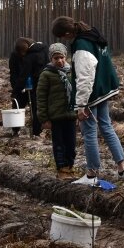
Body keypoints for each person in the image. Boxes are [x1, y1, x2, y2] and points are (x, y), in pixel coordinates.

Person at [50, 16, 124, 183]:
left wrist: (81, 105)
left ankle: (92, 174)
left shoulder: (81, 45)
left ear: (67, 33)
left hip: (91, 95)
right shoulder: (93, 35)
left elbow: (85, 77)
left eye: (62, 37)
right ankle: (123, 169)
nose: (64, 40)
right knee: (107, 127)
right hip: (103, 90)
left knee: (89, 132)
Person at [37, 43, 77, 180]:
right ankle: (62, 168)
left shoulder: (72, 71)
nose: (59, 61)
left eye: (61, 57)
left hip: (71, 115)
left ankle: (70, 166)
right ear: (51, 59)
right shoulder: (46, 74)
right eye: (56, 58)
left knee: (71, 144)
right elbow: (41, 98)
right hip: (56, 116)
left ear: (66, 57)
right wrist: (44, 119)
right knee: (59, 144)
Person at [8, 37, 47, 137]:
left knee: (36, 108)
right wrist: (16, 89)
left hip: (35, 85)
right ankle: (15, 130)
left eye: (23, 52)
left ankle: (36, 133)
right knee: (17, 106)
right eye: (20, 53)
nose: (22, 55)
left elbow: (26, 73)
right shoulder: (14, 56)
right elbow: (13, 73)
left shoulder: (36, 53)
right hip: (20, 85)